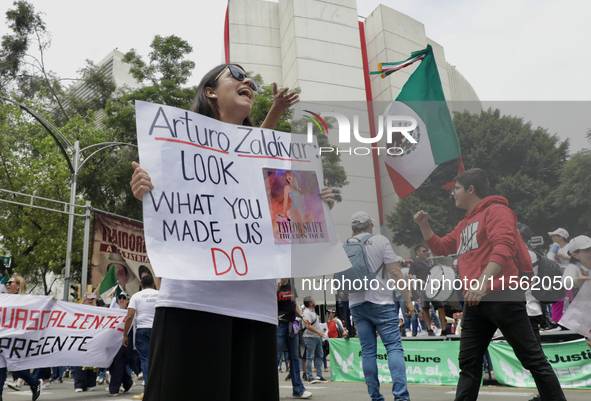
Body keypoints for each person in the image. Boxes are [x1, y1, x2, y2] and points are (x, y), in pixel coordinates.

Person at [130, 63, 337, 401]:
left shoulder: (270, 161)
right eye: (236, 76)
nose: (248, 82)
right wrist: (145, 189)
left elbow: (287, 218)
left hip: (254, 308)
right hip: (191, 302)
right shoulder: (176, 147)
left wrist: (317, 204)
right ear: (210, 90)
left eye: (250, 80)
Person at [413, 168, 566, 401]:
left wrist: (482, 282)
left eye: (456, 188)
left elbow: (504, 246)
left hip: (502, 295)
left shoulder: (498, 211)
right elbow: (442, 247)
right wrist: (424, 225)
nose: (452, 193)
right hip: (475, 301)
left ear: (470, 189)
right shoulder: (464, 224)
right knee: (468, 363)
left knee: (531, 358)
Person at [347, 211, 413, 401]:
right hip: (381, 302)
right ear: (369, 225)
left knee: (368, 351)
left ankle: (375, 397)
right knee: (393, 348)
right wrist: (407, 299)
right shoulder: (380, 240)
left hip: (356, 304)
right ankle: (401, 397)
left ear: (353, 228)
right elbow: (395, 272)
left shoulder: (345, 245)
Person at [4, 275, 43, 401]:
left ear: (19, 285)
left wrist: (52, 302)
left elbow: (43, 307)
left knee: (12, 365)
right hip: (3, 339)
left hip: (17, 340)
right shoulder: (4, 299)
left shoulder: (29, 300)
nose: (7, 284)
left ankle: (33, 382)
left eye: (10, 282)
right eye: (7, 283)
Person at [122, 275, 159, 401]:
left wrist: (125, 334)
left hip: (142, 330)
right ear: (153, 284)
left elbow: (129, 317)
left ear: (141, 285)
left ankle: (147, 392)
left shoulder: (136, 296)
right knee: (159, 360)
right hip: (158, 330)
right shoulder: (159, 295)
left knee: (146, 361)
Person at [276, 278, 312, 398]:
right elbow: (270, 300)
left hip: (292, 325)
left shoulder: (291, 287)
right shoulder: (275, 286)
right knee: (276, 356)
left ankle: (298, 390)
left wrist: (302, 316)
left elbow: (295, 305)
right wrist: (278, 284)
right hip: (279, 324)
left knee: (294, 357)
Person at [407, 245, 447, 336]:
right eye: (423, 251)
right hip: (422, 287)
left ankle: (444, 329)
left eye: (426, 251)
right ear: (418, 252)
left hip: (433, 287)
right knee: (425, 308)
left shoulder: (429, 262)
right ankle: (429, 329)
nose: (426, 253)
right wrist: (411, 291)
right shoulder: (415, 263)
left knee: (441, 307)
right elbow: (409, 276)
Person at [565, 235, 591, 351]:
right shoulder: (574, 267)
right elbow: (566, 282)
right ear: (575, 255)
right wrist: (578, 280)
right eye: (587, 250)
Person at [301, 296, 328, 384]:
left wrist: (319, 333)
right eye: (313, 300)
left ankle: (319, 375)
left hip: (316, 337)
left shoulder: (312, 311)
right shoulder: (307, 312)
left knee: (320, 355)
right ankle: (310, 376)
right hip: (310, 337)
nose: (314, 301)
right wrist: (318, 332)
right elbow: (308, 326)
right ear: (310, 303)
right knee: (310, 357)